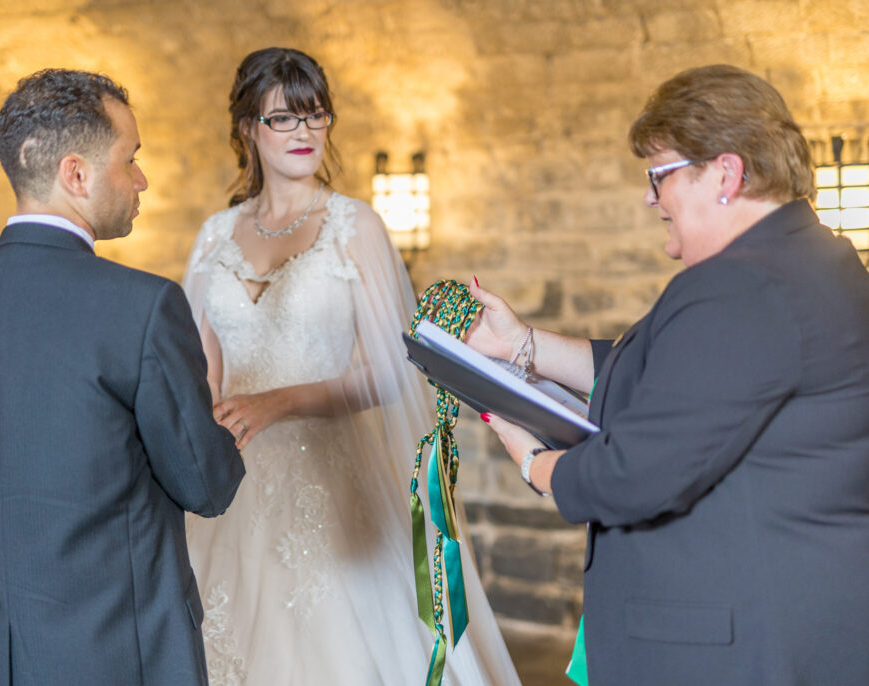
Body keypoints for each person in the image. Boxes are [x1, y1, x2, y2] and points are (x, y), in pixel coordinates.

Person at [467, 64, 869, 686]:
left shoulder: (740, 288)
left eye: (659, 177)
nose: (649, 199)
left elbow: (631, 474)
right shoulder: (812, 258)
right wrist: (523, 345)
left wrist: (533, 463)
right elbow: (678, 380)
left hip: (727, 648)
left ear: (726, 174)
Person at [182, 47, 520, 685]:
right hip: (232, 480)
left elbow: (393, 370)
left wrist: (279, 402)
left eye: (316, 115)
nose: (305, 131)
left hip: (332, 481)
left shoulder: (354, 225)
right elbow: (202, 369)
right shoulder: (213, 236)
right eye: (284, 117)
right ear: (248, 129)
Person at [0, 68, 245, 686]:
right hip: (125, 652)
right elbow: (205, 484)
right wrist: (216, 414)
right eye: (132, 159)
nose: (141, 179)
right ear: (76, 174)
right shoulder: (141, 307)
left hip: (1, 660)